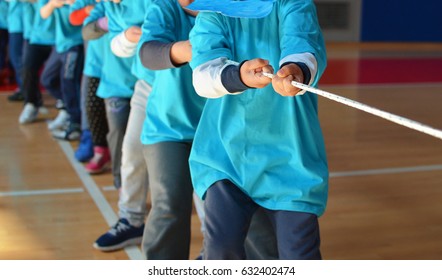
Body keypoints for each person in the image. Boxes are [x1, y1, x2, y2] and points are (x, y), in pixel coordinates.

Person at [186, 0, 328, 260]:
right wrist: (238, 75)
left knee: (300, 256)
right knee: (220, 250)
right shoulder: (214, 11)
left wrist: (296, 70)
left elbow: (304, 46)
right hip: (225, 156)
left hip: (291, 158)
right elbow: (203, 75)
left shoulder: (294, 3)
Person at [137, 0, 206, 259]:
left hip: (220, 131)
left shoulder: (230, 10)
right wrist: (190, 49)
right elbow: (148, 53)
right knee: (169, 206)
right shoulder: (164, 8)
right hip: (167, 130)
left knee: (225, 217)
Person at [40, 0, 84, 141]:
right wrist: (53, 4)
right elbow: (43, 13)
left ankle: (75, 122)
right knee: (47, 79)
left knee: (69, 82)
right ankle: (67, 107)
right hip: (60, 45)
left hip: (75, 45)